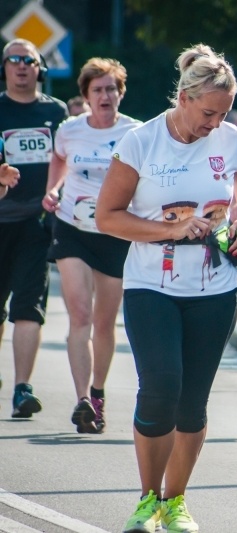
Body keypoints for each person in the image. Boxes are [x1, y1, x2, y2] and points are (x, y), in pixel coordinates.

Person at [95, 44, 237, 533]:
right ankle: (147, 499)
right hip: (153, 282)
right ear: (186, 98)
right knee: (160, 388)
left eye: (224, 113)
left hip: (216, 284)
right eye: (209, 112)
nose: (215, 123)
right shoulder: (141, 142)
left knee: (192, 401)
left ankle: (176, 501)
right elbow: (107, 217)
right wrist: (170, 229)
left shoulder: (231, 139)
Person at [42, 58, 140, 433]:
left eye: (111, 88)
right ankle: (82, 398)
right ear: (85, 96)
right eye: (97, 89)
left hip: (115, 232)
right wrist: (53, 190)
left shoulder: (135, 132)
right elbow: (59, 161)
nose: (105, 95)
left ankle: (98, 393)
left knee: (104, 321)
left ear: (120, 93)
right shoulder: (70, 130)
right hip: (73, 227)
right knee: (80, 314)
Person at [0, 38, 69, 418]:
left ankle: (22, 389)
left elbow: (67, 161)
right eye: (14, 60)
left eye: (28, 60)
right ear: (5, 68)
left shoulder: (55, 112)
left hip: (35, 224)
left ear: (40, 67)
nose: (21, 66)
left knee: (28, 308)